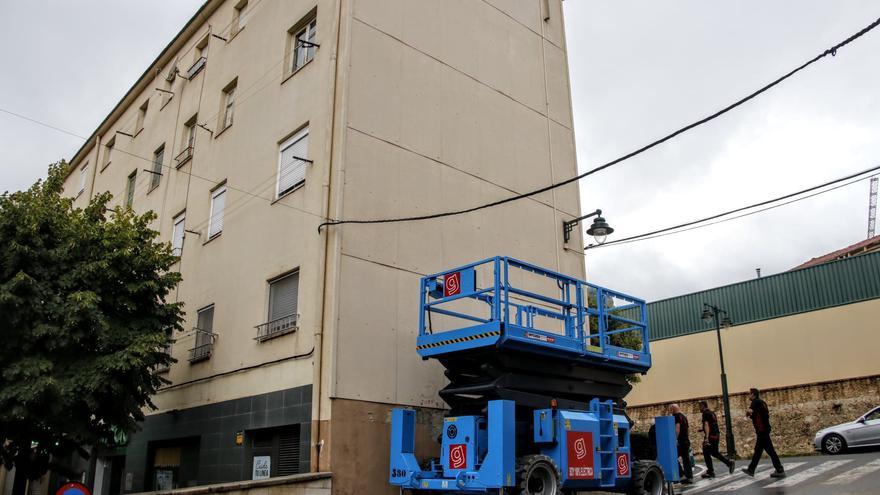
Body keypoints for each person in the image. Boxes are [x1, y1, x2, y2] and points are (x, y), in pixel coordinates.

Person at [742, 388, 785, 478]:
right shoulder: (762, 402)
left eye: (749, 394)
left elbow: (749, 411)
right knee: (759, 450)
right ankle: (751, 469)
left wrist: (747, 413)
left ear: (753, 394)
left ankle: (779, 469)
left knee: (769, 451)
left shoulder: (755, 402)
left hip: (762, 431)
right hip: (764, 429)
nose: (749, 396)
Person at [699, 400, 734, 478]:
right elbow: (712, 424)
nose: (699, 408)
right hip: (716, 435)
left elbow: (706, 424)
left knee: (706, 452)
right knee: (714, 452)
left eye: (700, 406)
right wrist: (703, 429)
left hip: (710, 436)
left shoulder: (705, 414)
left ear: (703, 406)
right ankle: (728, 463)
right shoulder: (712, 413)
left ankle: (710, 472)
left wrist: (707, 438)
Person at [670, 403, 693, 484]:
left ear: (673, 409)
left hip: (681, 442)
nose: (671, 411)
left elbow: (677, 428)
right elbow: (687, 429)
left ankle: (682, 475)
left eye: (671, 409)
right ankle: (689, 477)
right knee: (686, 459)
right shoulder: (684, 417)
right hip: (686, 441)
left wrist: (675, 440)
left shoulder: (676, 417)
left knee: (672, 457)